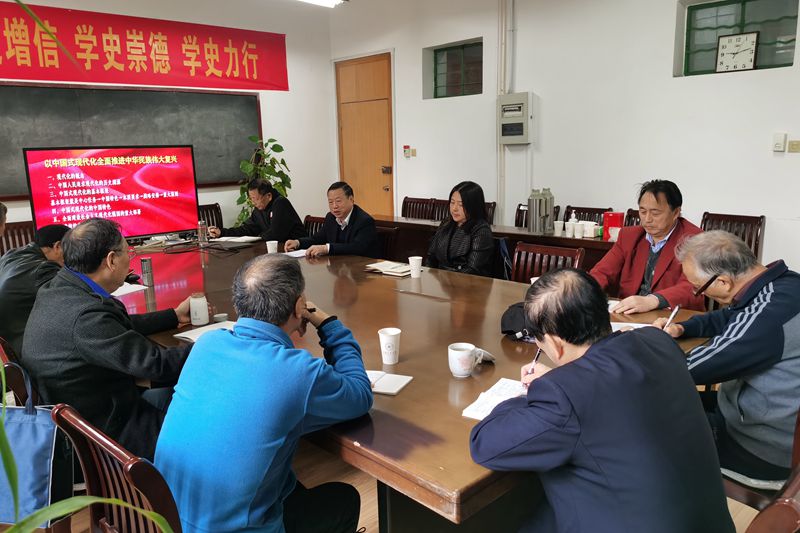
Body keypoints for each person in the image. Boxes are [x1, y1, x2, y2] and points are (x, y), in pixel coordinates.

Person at [470, 268, 734, 533]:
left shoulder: (564, 395)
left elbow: (485, 444)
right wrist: (562, 382)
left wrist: (531, 393)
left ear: (554, 343)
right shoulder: (658, 341)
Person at [155, 254, 373, 533]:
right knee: (343, 499)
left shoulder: (207, 343)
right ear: (299, 306)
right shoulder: (297, 372)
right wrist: (328, 324)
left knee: (286, 482)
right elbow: (359, 394)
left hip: (168, 521)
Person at [21, 218, 193, 459]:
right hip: (107, 433)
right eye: (128, 253)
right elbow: (157, 365)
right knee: (208, 427)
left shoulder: (61, 287)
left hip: (87, 409)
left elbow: (112, 328)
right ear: (111, 260)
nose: (130, 259)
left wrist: (173, 315)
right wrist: (211, 345)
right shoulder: (86, 318)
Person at [655, 230, 800, 483]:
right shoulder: (784, 285)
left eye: (698, 288)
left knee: (648, 424)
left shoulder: (767, 317)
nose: (697, 293)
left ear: (723, 282)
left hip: (762, 447)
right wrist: (683, 328)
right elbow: (732, 316)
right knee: (663, 402)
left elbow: (693, 368)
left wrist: (646, 347)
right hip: (759, 412)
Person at [590, 179, 705, 313]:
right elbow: (602, 272)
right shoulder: (629, 236)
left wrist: (653, 300)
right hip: (629, 314)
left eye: (655, 213)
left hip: (671, 316)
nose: (647, 219)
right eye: (643, 212)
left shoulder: (695, 240)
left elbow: (693, 287)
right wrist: (584, 290)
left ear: (675, 213)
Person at [0, 224, 69, 355]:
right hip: (22, 348)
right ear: (58, 246)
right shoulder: (43, 269)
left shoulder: (11, 254)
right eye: (71, 249)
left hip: (5, 343)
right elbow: (74, 298)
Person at [284, 181, 379, 258]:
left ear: (351, 199)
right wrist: (298, 242)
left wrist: (327, 248)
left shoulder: (364, 221)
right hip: (338, 266)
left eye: (338, 201)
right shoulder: (331, 217)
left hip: (360, 269)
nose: (334, 206)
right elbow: (317, 239)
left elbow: (357, 247)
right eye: (330, 202)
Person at [426, 181, 494, 277]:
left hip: (468, 283)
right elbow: (431, 257)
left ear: (473, 205)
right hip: (442, 282)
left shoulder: (481, 231)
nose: (454, 208)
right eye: (452, 202)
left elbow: (472, 270)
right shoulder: (446, 223)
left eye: (461, 205)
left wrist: (444, 278)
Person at [208, 179, 306, 242]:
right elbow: (247, 229)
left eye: (255, 199)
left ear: (269, 196)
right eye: (251, 199)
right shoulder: (259, 208)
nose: (253, 202)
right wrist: (222, 232)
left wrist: (258, 236)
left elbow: (275, 235)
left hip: (297, 249)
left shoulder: (280, 203)